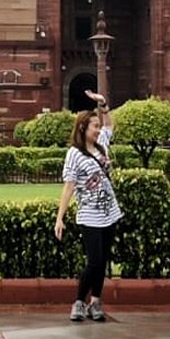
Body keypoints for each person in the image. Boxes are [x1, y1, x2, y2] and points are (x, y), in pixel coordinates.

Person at [54, 89, 122, 322]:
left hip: (110, 213)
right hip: (89, 215)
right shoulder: (74, 154)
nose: (98, 129)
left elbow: (110, 127)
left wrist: (103, 104)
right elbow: (69, 186)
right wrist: (59, 217)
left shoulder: (101, 145)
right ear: (83, 128)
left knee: (102, 261)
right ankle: (79, 301)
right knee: (94, 261)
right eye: (94, 126)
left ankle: (96, 302)